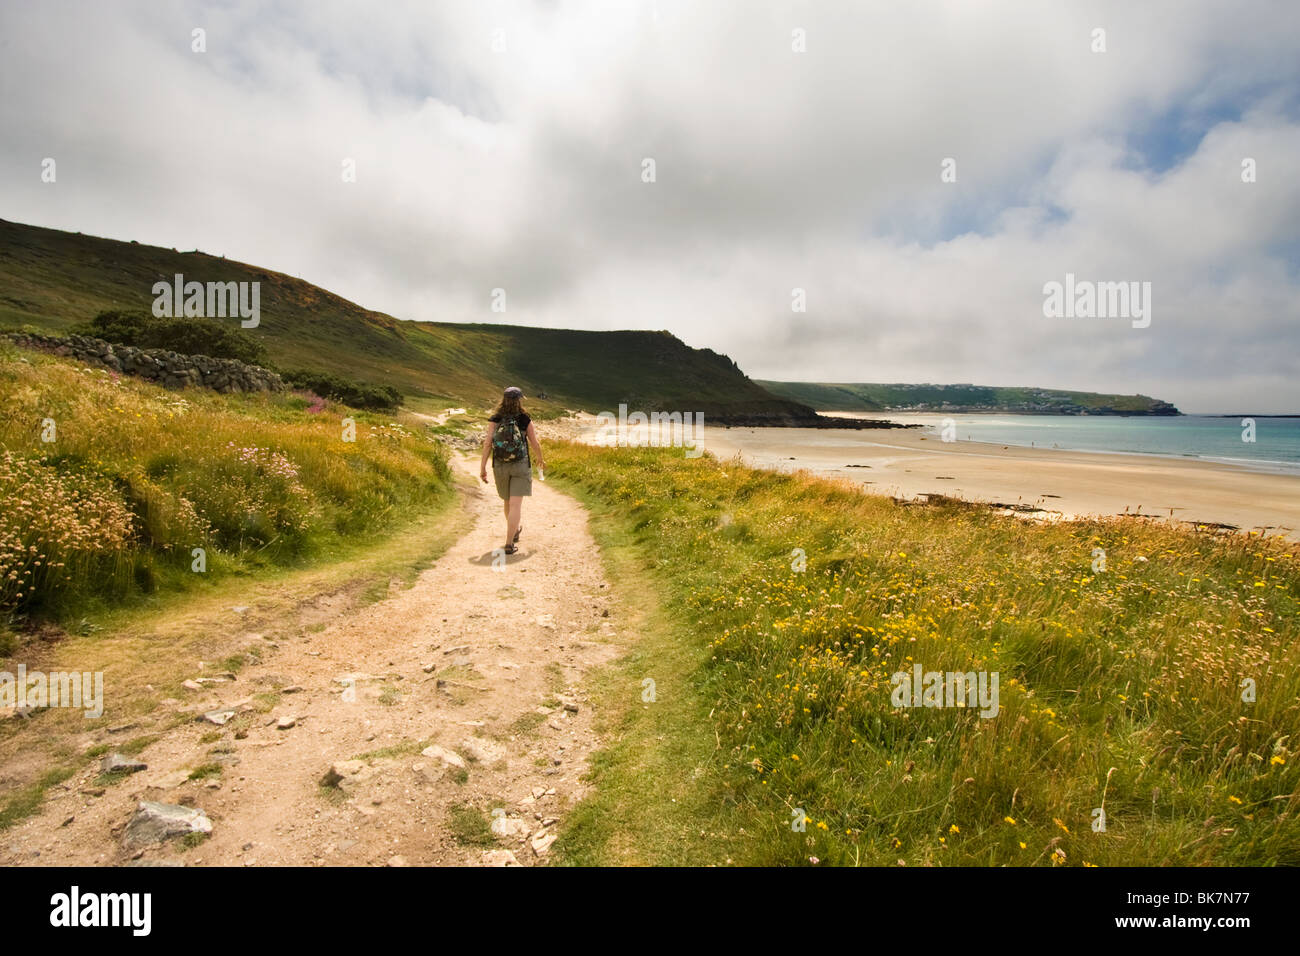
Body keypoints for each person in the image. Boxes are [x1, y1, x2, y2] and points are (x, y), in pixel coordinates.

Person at [479, 386, 545, 554]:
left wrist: (483, 467)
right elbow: (534, 442)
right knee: (516, 504)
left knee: (507, 502)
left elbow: (487, 443)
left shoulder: (496, 419)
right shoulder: (525, 419)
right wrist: (540, 459)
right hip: (520, 464)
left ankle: (514, 531)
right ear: (519, 400)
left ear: (503, 399)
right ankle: (509, 543)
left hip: (500, 465)